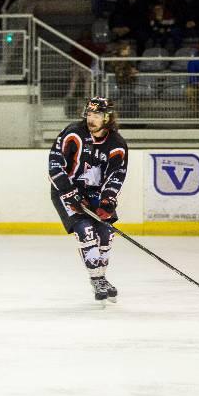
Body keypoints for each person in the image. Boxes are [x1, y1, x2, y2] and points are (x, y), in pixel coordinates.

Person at [48, 96, 128, 303]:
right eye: (90, 114)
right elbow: (54, 165)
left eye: (97, 115)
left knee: (106, 233)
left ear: (107, 117)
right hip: (66, 191)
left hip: (95, 193)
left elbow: (116, 175)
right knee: (86, 230)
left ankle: (102, 276)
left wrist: (108, 200)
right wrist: (69, 192)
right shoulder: (73, 133)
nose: (91, 119)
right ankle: (96, 279)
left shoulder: (117, 144)